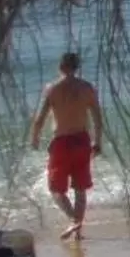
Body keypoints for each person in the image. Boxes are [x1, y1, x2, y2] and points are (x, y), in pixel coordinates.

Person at [28, 52, 102, 238]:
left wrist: (34, 138)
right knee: (80, 190)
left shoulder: (52, 89)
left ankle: (73, 221)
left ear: (60, 67)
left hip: (61, 142)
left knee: (56, 190)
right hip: (82, 140)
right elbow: (98, 118)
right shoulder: (87, 88)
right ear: (76, 67)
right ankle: (78, 232)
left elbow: (40, 119)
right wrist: (98, 141)